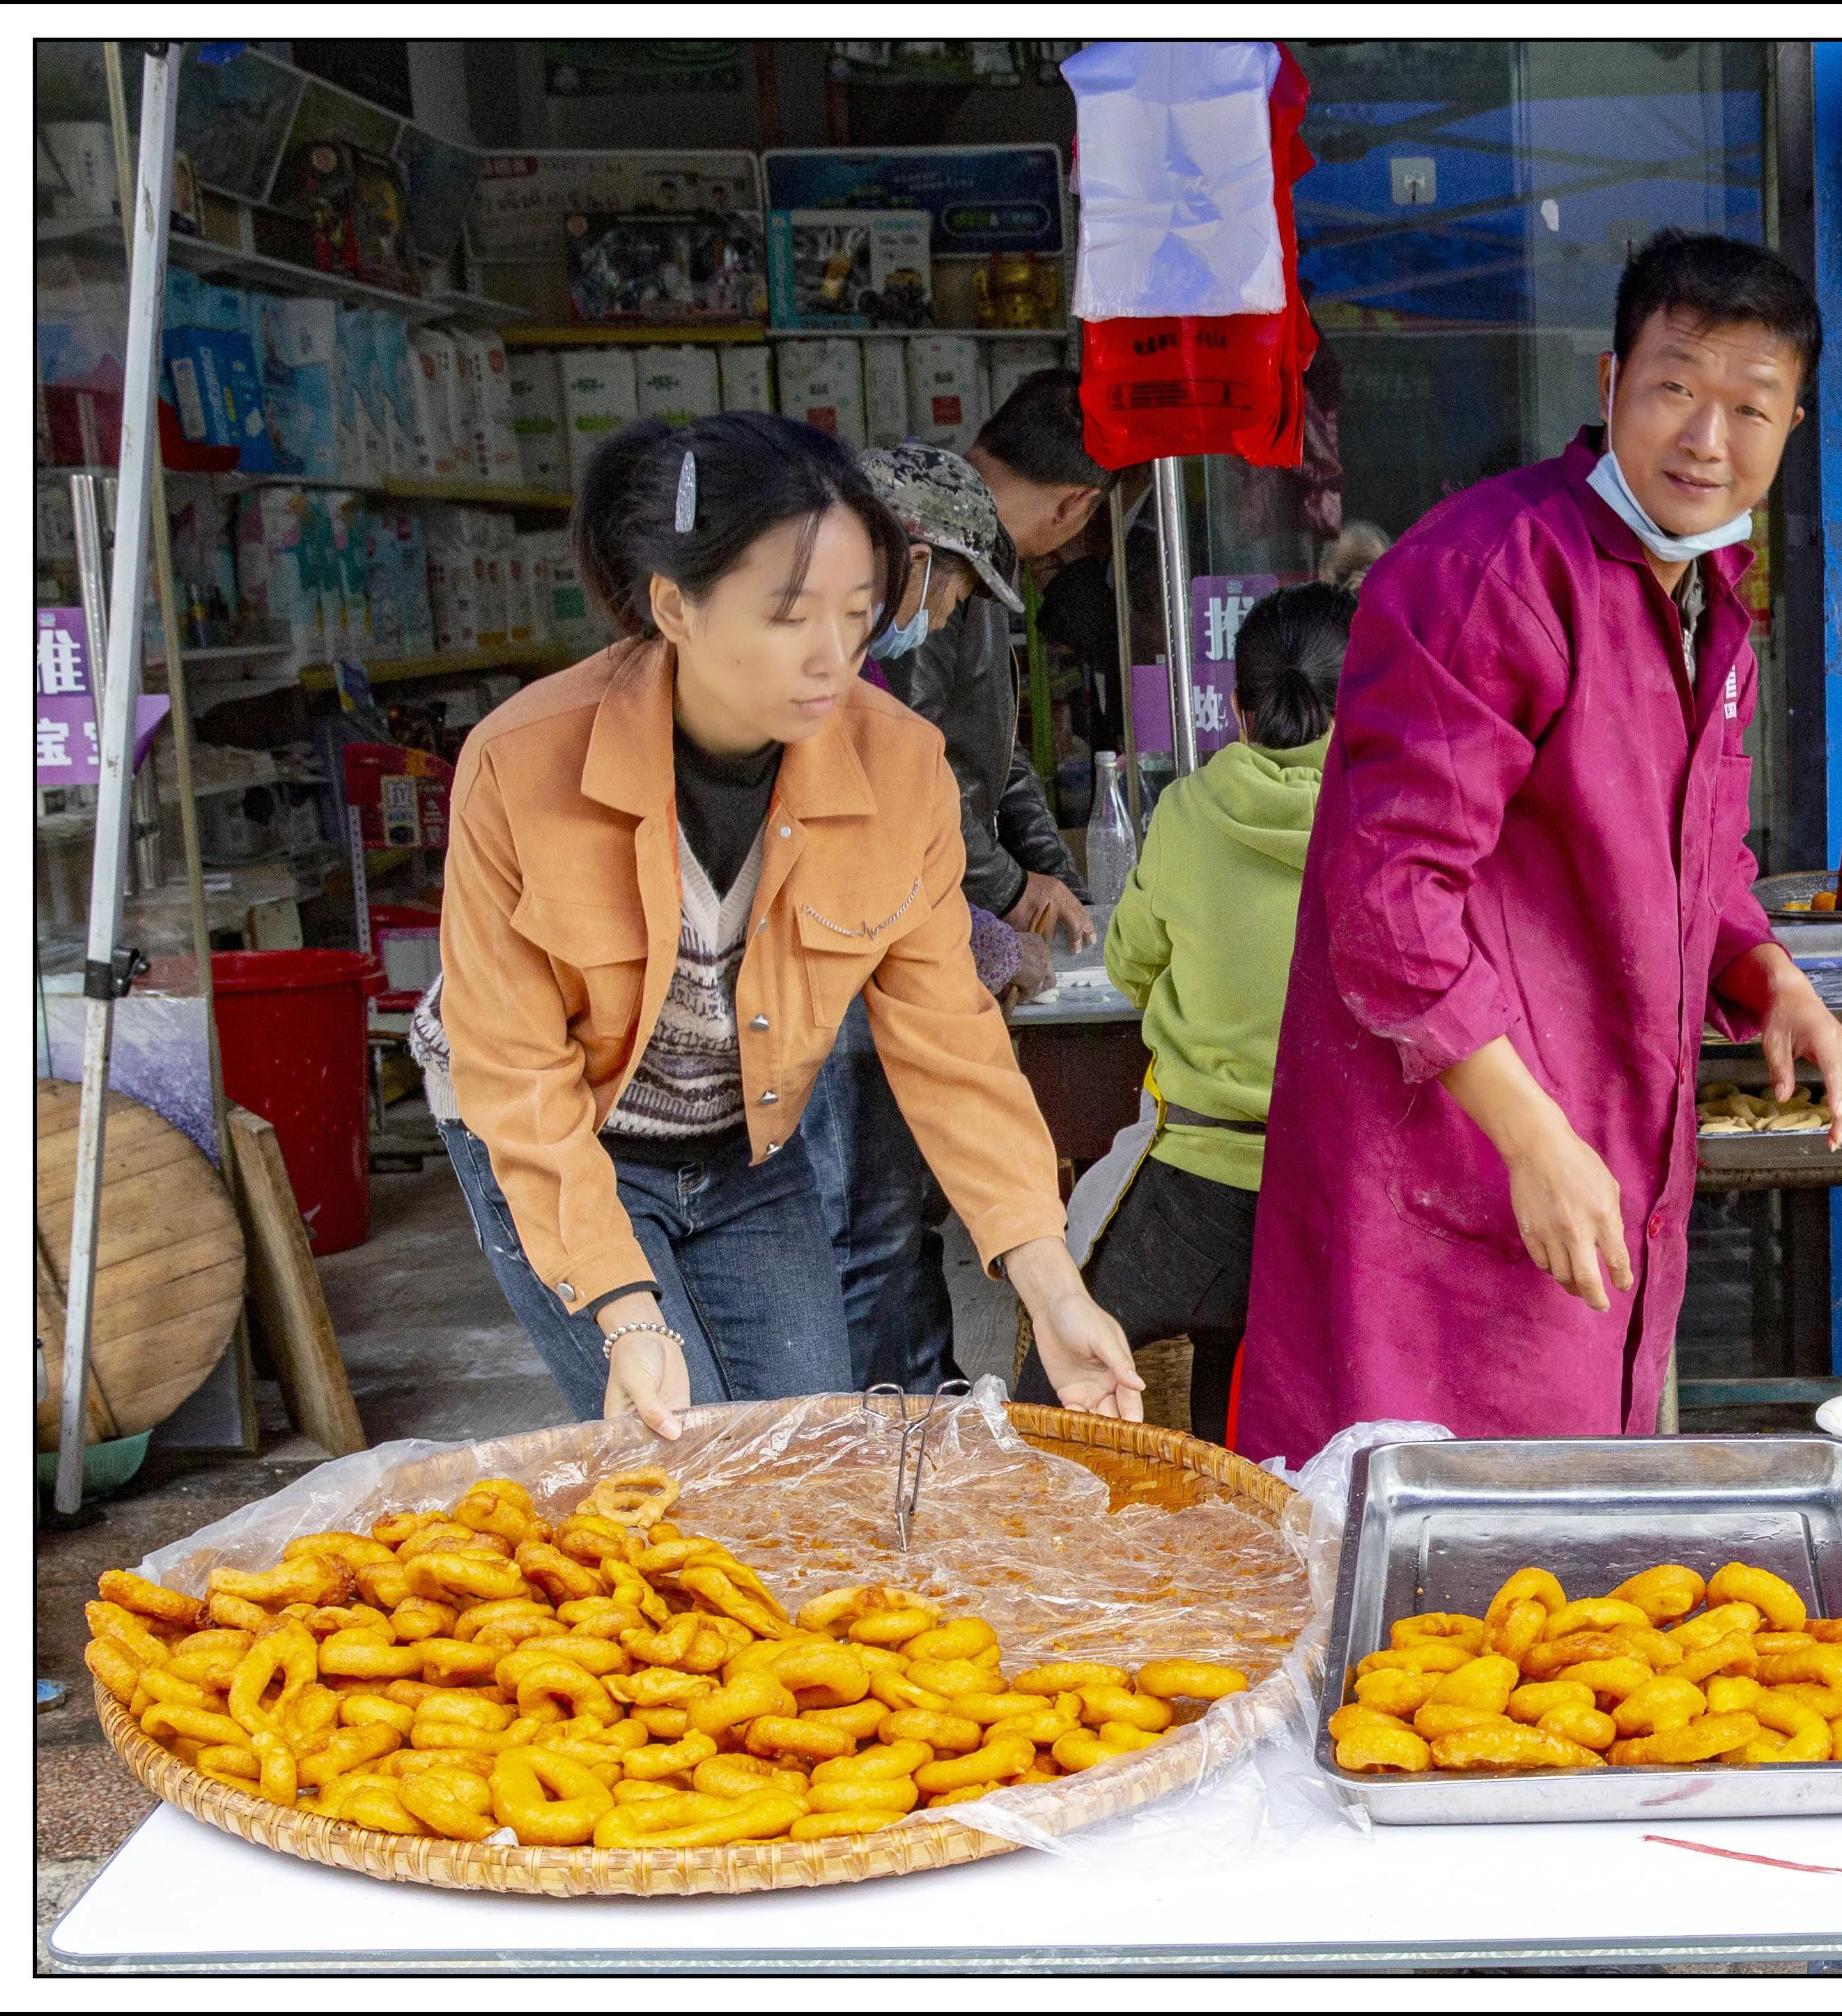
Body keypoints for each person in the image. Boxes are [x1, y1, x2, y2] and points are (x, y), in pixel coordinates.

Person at [1235, 231, 1842, 1464]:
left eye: (1751, 406)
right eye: (1676, 387)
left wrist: (1769, 976)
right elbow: (1391, 902)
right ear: (1608, 383)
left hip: (1594, 1146)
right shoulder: (1492, 574)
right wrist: (1529, 1137)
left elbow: (1690, 854)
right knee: (1427, 1547)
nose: (1706, 438)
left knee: (1565, 1541)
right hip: (1450, 1170)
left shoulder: (1702, 589)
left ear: (1792, 423)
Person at [418, 410, 1144, 1436]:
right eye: (788, 614)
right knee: (686, 1459)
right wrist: (626, 1313)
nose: (832, 655)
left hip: (738, 1136)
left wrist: (1051, 1284)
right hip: (554, 1125)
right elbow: (518, 1076)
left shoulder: (898, 766)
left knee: (804, 1446)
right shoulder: (520, 763)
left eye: (857, 613)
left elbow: (951, 1045)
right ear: (674, 605)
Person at [1012, 582, 1352, 1442]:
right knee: (1243, 1374)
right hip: (1333, 1198)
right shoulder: (1389, 820)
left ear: (1237, 712)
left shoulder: (1189, 811)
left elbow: (1126, 962)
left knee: (1051, 1376)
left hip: (1191, 1187)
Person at [800, 436, 1074, 1390]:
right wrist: (989, 911)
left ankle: (915, 1409)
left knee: (883, 1218)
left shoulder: (866, 689)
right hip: (819, 984)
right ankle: (901, 1422)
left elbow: (984, 769)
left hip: (870, 961)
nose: (948, 620)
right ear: (912, 563)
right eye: (953, 598)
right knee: (867, 1228)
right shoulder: (820, 690)